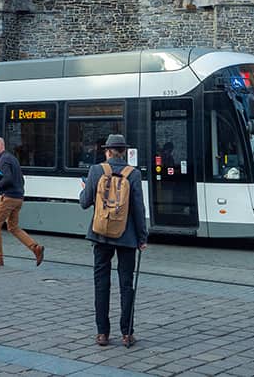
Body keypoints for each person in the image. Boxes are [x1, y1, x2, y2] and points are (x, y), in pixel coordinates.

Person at [79, 133, 148, 348]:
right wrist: (142, 237)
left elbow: (84, 202)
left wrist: (84, 190)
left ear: (107, 151)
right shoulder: (133, 174)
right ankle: (127, 333)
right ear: (125, 152)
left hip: (100, 235)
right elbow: (138, 208)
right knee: (126, 285)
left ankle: (103, 334)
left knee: (101, 284)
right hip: (127, 237)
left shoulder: (96, 170)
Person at [0, 137, 45, 268]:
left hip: (9, 198)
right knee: (13, 227)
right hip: (18, 197)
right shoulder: (12, 158)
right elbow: (20, 179)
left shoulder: (3, 159)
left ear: (1, 145)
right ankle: (35, 248)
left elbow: (8, 178)